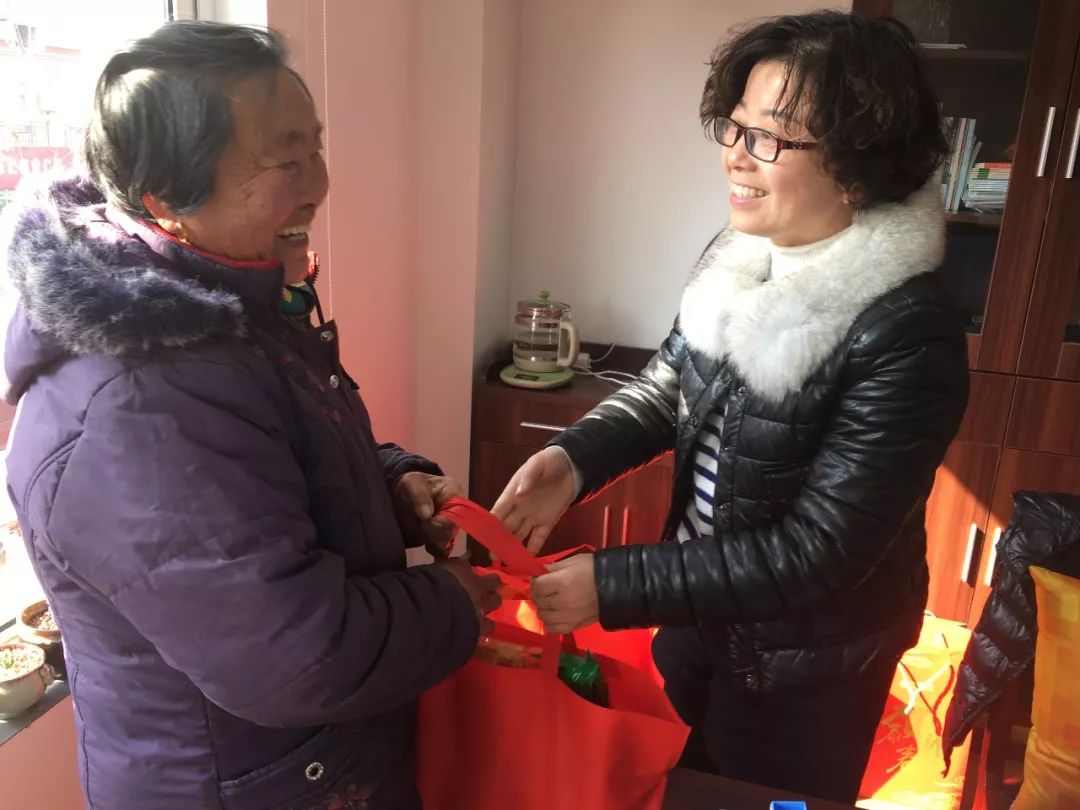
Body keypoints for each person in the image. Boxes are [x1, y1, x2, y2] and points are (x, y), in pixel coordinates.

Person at [1, 22, 499, 810]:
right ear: (166, 198)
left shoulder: (224, 302)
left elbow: (271, 470)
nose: (318, 183)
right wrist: (453, 602)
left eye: (316, 147)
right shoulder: (137, 400)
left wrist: (391, 485)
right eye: (284, 161)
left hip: (315, 767)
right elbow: (296, 656)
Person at [493, 11, 969, 804]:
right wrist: (572, 460)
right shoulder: (742, 256)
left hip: (805, 670)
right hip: (697, 617)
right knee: (674, 787)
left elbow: (821, 551)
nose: (735, 156)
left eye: (768, 138)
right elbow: (670, 385)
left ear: (858, 164)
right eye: (736, 126)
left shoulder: (907, 331)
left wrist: (616, 584)